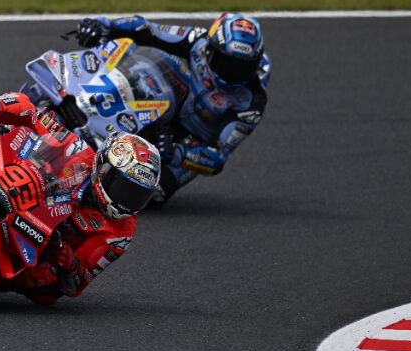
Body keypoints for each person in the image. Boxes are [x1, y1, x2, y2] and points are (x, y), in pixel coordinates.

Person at [0, 93, 161, 304]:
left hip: (33, 250)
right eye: (124, 188)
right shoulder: (76, 148)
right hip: (14, 191)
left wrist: (70, 264)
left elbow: (78, 283)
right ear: (104, 168)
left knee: (48, 294)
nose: (127, 201)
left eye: (138, 195)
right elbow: (30, 112)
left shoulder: (121, 232)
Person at [73, 12, 269, 207]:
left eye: (242, 67)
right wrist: (103, 24)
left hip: (189, 144)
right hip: (169, 108)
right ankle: (85, 111)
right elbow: (146, 28)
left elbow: (217, 157)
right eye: (226, 62)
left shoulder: (252, 101)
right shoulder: (197, 41)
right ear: (210, 50)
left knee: (151, 194)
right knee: (151, 70)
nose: (233, 72)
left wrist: (176, 153)